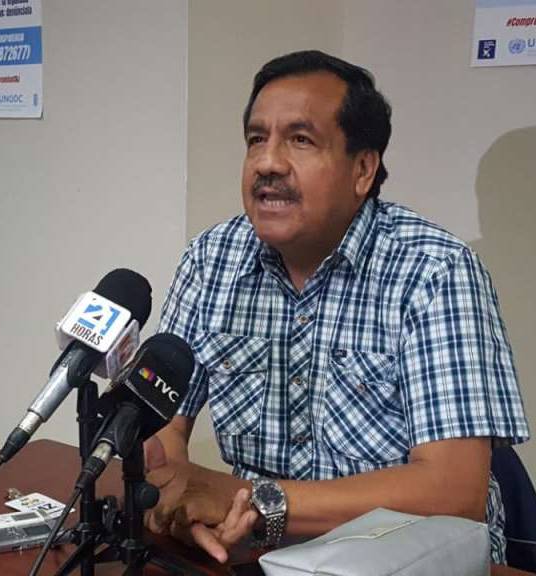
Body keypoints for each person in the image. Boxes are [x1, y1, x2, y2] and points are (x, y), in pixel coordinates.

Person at [145, 50, 530, 565]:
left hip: (405, 559)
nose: (267, 162)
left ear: (363, 169)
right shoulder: (211, 259)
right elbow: (163, 422)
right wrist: (177, 499)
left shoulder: (436, 272)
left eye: (300, 140)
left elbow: (453, 491)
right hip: (257, 554)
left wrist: (257, 501)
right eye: (256, 139)